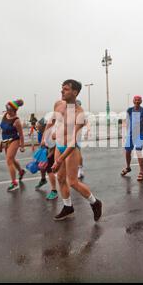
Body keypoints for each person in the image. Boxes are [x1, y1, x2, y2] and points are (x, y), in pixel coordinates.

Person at [42, 79, 102, 221]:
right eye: (62, 88)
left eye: (66, 89)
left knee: (73, 182)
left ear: (75, 92)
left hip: (71, 149)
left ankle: (95, 202)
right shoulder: (58, 105)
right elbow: (51, 121)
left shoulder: (79, 114)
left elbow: (73, 141)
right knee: (61, 179)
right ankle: (68, 207)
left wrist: (60, 159)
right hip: (59, 145)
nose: (62, 91)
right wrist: (45, 138)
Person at [0, 99, 26, 192]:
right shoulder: (5, 115)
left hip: (14, 140)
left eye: (10, 110)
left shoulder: (16, 121)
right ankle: (21, 171)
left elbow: (21, 135)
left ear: (15, 111)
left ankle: (14, 183)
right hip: (6, 140)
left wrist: (22, 146)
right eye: (7, 109)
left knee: (9, 160)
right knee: (12, 159)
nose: (8, 111)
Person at [121, 95, 143, 181]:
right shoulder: (129, 110)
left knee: (138, 152)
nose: (137, 101)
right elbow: (127, 122)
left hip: (140, 135)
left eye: (138, 100)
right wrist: (126, 134)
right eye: (135, 100)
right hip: (130, 134)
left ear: (141, 101)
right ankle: (128, 167)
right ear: (133, 101)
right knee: (127, 151)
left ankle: (141, 172)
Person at [34, 117, 58, 200]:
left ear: (44, 127)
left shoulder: (51, 133)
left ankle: (54, 191)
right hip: (46, 151)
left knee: (49, 169)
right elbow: (41, 144)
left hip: (53, 151)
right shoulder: (40, 133)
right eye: (37, 126)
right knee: (42, 166)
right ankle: (43, 179)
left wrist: (50, 154)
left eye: (39, 126)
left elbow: (55, 145)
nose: (37, 127)